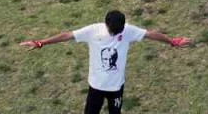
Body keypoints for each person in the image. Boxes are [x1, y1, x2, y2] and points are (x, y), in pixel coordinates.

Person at [18, 10, 190, 114]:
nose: (115, 35)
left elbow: (150, 34)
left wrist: (172, 41)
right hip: (96, 87)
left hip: (116, 88)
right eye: (113, 32)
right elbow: (67, 36)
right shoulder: (93, 31)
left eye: (118, 32)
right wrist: (41, 43)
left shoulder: (128, 30)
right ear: (106, 23)